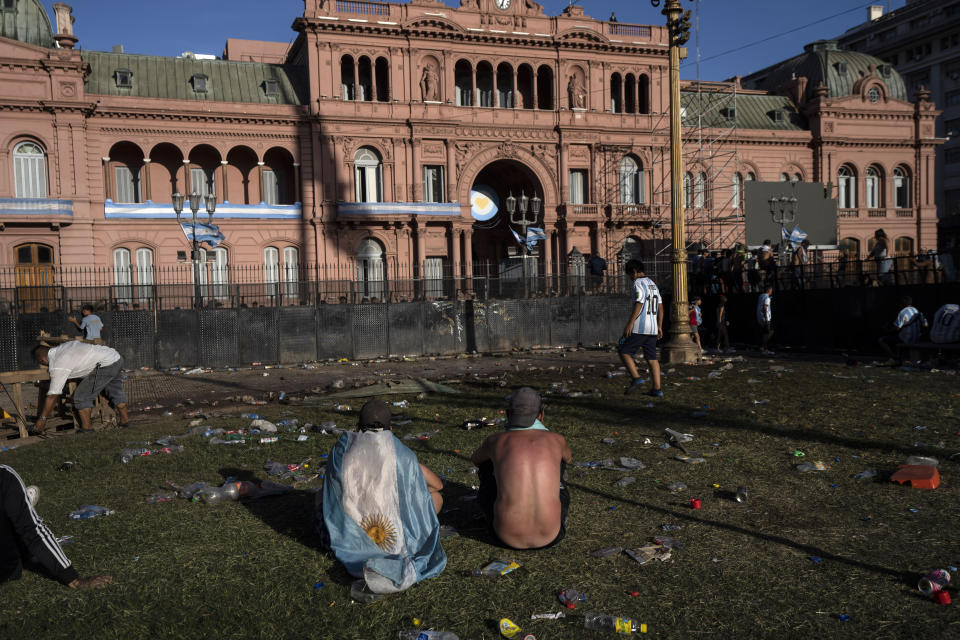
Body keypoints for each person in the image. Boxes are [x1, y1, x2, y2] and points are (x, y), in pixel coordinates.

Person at [320, 400, 445, 595]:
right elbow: (437, 486)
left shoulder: (341, 451)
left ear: (358, 426)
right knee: (435, 498)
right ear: (391, 429)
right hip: (392, 529)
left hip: (348, 530)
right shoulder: (402, 456)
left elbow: (331, 493)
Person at [470, 388, 572, 550]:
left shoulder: (495, 441)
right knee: (558, 462)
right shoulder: (557, 440)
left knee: (486, 464)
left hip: (503, 537)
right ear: (541, 415)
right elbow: (568, 458)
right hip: (551, 536)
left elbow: (476, 460)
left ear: (508, 415)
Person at [1, 464, 112, 590]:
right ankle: (23, 503)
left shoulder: (4, 476)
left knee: (18, 517)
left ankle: (22, 503)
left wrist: (71, 577)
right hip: (8, 565)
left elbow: (33, 532)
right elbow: (33, 531)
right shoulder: (4, 475)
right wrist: (74, 580)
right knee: (19, 519)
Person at [31, 342, 129, 434]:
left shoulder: (59, 364)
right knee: (116, 392)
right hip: (116, 358)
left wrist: (42, 419)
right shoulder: (64, 346)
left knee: (81, 396)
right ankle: (125, 422)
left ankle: (87, 430)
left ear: (42, 360)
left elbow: (52, 396)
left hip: (105, 365)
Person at [618, 259, 663, 396]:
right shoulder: (653, 284)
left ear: (634, 272)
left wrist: (630, 323)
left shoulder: (638, 283)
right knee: (652, 358)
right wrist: (659, 325)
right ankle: (657, 389)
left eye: (630, 275)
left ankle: (636, 378)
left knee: (623, 351)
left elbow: (639, 303)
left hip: (640, 327)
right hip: (653, 328)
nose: (630, 278)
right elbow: (660, 306)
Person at [878, 296, 928, 365]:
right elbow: (925, 325)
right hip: (918, 338)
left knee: (882, 340)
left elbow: (897, 328)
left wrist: (887, 330)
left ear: (902, 304)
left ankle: (894, 357)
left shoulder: (902, 312)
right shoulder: (917, 311)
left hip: (906, 339)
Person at [757, 284, 774, 355]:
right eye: (771, 291)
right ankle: (764, 348)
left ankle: (763, 347)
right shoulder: (767, 298)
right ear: (769, 290)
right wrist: (766, 318)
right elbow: (765, 308)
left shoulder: (761, 296)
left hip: (759, 317)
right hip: (765, 318)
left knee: (765, 333)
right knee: (767, 333)